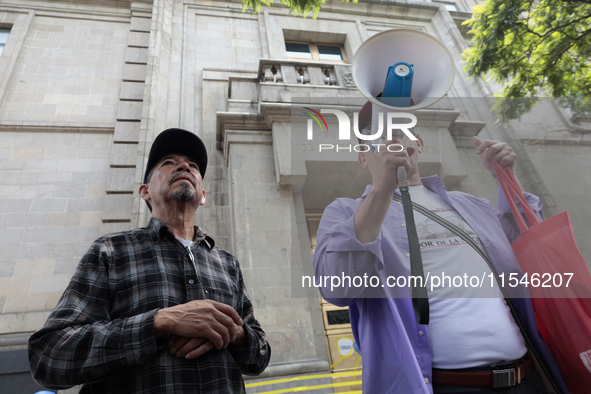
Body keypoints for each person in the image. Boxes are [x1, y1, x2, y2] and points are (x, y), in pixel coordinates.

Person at [312, 102, 568, 393]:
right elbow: (337, 287)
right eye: (376, 134)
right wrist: (384, 187)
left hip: (526, 379)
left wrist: (506, 176)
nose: (390, 137)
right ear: (362, 158)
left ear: (418, 144)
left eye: (401, 129)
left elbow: (533, 245)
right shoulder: (345, 213)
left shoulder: (471, 205)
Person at [28, 128, 271, 394]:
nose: (183, 166)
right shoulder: (110, 251)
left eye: (193, 166)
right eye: (169, 162)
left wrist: (232, 332)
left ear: (202, 195)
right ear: (145, 191)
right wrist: (158, 322)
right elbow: (48, 357)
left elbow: (259, 356)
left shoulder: (228, 264)